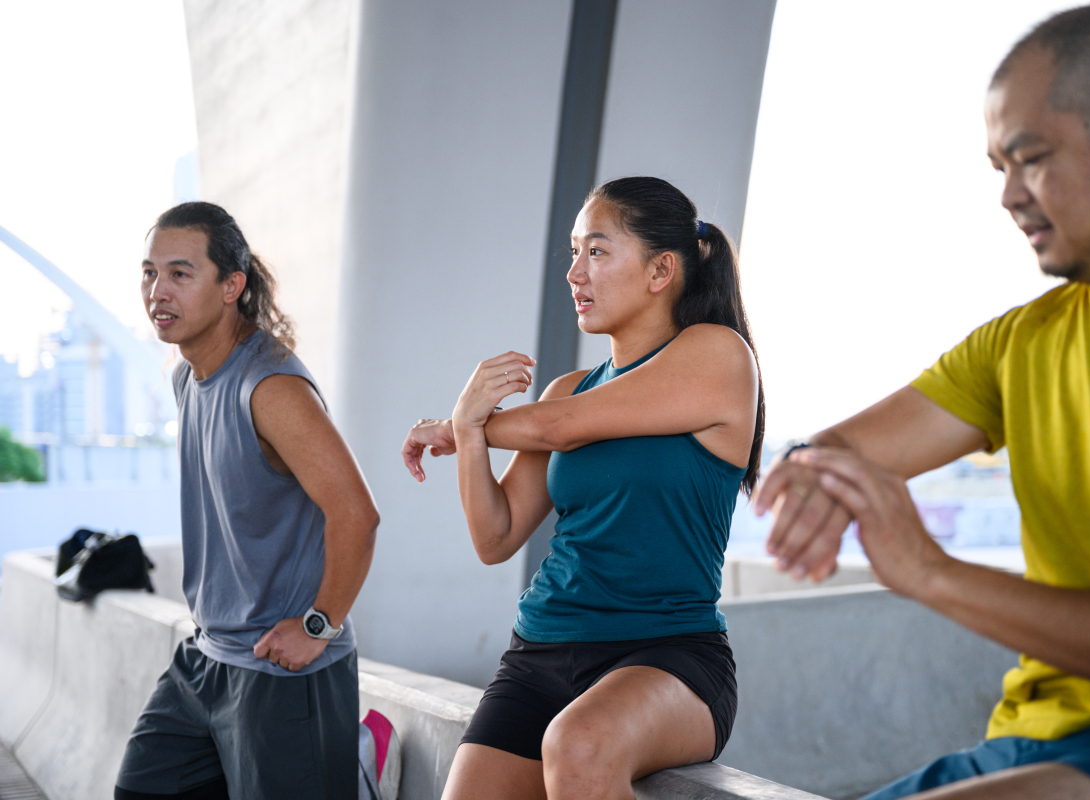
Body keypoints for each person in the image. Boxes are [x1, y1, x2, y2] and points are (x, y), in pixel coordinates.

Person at [754, 6, 1090, 800]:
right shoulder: (1021, 343)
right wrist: (816, 478)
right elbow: (839, 450)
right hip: (1028, 744)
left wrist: (931, 572)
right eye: (998, 166)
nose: (1007, 196)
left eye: (1029, 159)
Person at [401, 176, 764, 799]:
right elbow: (496, 536)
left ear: (660, 271)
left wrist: (468, 425)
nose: (574, 272)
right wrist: (467, 435)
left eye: (596, 251)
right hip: (541, 653)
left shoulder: (719, 355)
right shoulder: (565, 389)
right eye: (573, 252)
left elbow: (561, 429)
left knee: (579, 746)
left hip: (667, 654)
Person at [115, 202, 380, 800]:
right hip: (207, 657)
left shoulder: (272, 388)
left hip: (283, 671)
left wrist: (319, 624)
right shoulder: (186, 376)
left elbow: (357, 515)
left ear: (232, 285)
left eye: (180, 273)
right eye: (149, 273)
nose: (158, 291)